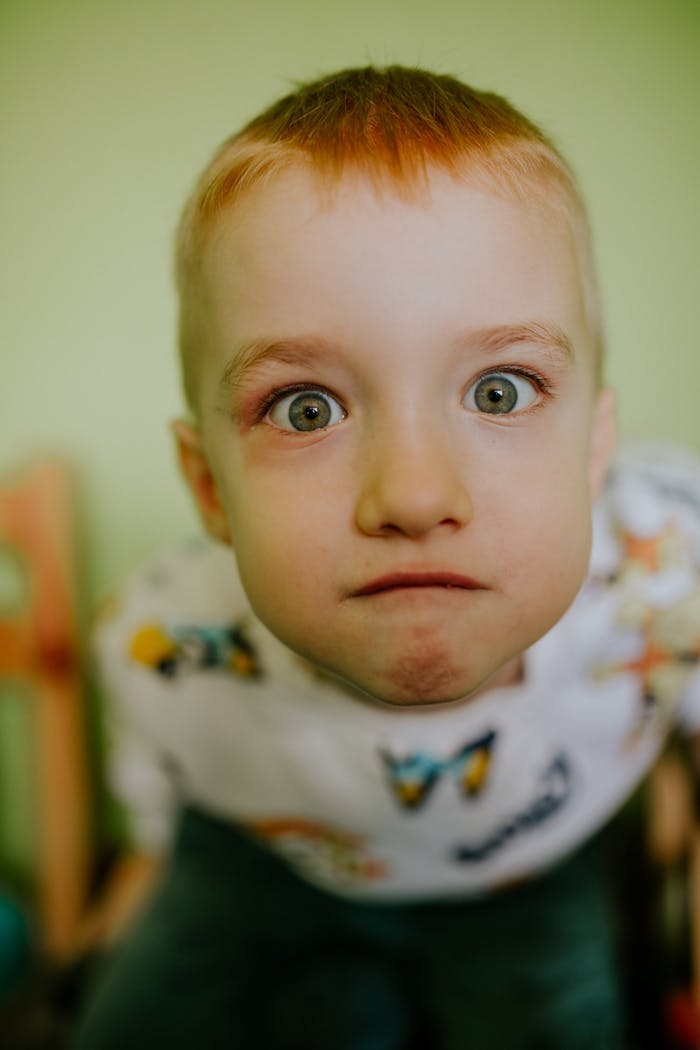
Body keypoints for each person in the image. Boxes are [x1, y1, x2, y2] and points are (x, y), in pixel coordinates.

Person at [73, 66, 700, 1049]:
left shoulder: (665, 573)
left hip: (528, 862)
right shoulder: (162, 638)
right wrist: (146, 854)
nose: (412, 495)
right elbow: (152, 741)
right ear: (208, 489)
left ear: (593, 449)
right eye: (305, 408)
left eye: (498, 392)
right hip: (261, 854)